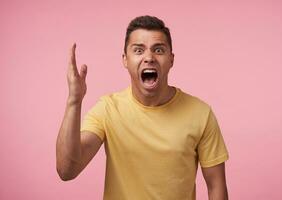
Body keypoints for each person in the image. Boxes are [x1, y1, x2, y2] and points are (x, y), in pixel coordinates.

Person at [56, 15, 229, 200]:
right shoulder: (107, 109)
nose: (149, 58)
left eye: (159, 50)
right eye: (138, 50)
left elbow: (216, 186)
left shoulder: (201, 114)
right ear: (125, 59)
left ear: (171, 60)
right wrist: (74, 101)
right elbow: (67, 170)